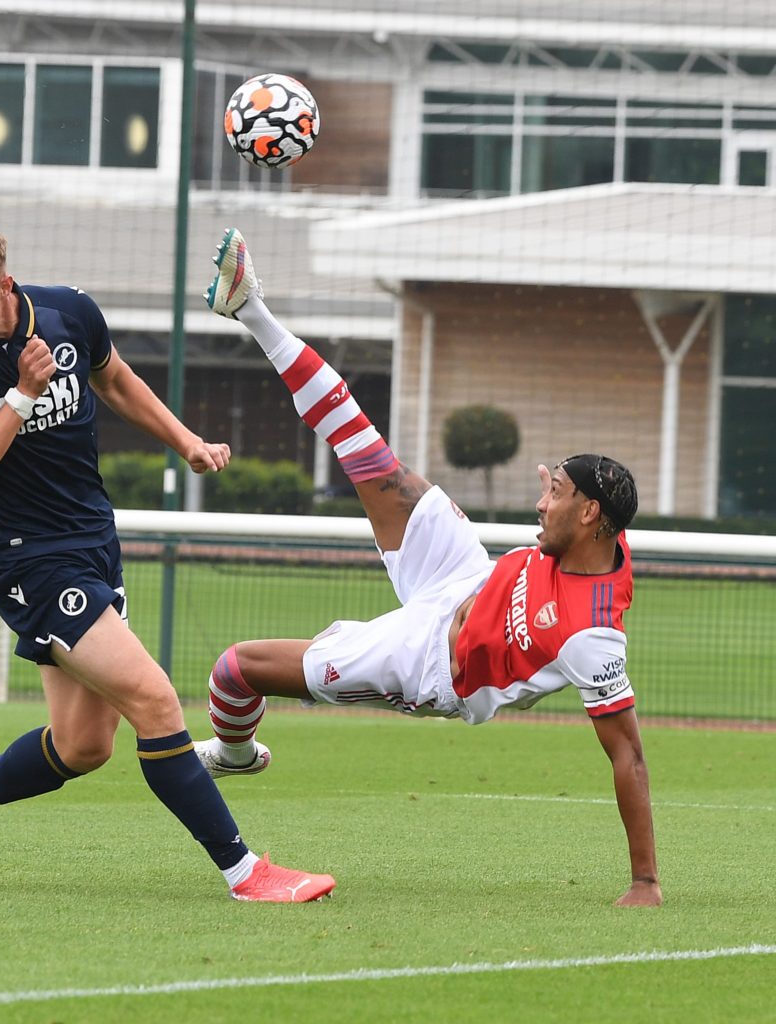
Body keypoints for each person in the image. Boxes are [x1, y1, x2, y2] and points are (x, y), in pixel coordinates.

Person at [194, 227, 662, 909]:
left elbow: (628, 755)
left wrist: (644, 882)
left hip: (433, 665)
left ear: (589, 514)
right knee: (366, 450)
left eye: (553, 494)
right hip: (464, 579)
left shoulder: (593, 639)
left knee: (236, 668)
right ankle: (251, 308)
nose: (539, 504)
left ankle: (234, 755)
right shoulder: (597, 538)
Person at [0, 223, 335, 902]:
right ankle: (245, 872)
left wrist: (185, 440)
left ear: (4, 286)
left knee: (82, 746)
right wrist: (19, 398)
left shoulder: (70, 312)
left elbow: (117, 381)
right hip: (27, 559)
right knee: (154, 697)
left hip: (92, 542)